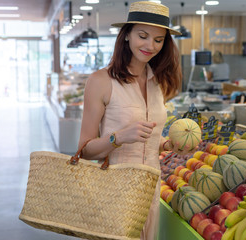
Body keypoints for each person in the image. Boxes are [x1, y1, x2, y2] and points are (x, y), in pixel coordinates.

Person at [78, 1, 197, 239]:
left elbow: (150, 137)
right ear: (126, 35)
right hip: (114, 190)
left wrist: (167, 145)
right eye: (143, 36)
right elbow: (84, 151)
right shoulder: (101, 81)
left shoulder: (158, 82)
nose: (150, 45)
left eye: (158, 40)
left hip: (150, 188)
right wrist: (119, 137)